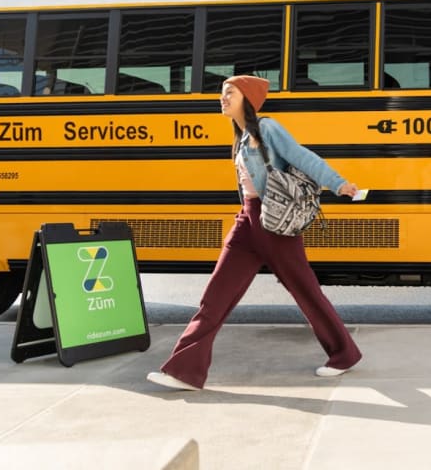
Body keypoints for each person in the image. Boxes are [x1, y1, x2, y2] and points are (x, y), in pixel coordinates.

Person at [147, 75, 363, 391]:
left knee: (306, 291)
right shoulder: (240, 138)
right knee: (215, 297)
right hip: (246, 223)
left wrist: (339, 182)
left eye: (229, 93)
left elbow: (302, 157)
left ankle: (343, 354)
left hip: (275, 224)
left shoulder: (267, 129)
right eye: (222, 94)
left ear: (247, 99)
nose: (222, 99)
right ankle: (185, 370)